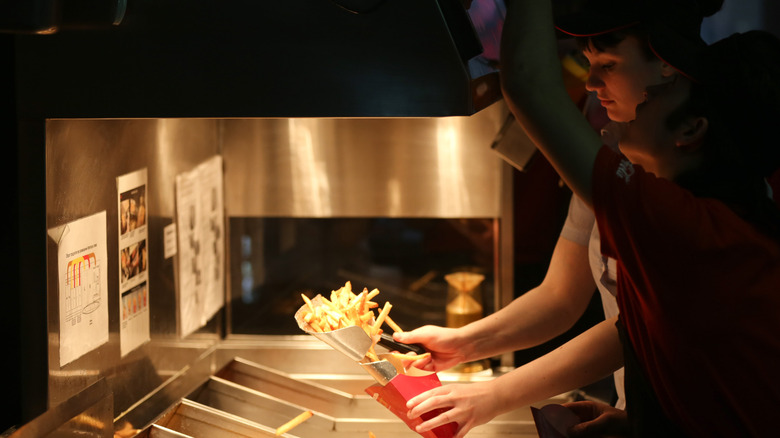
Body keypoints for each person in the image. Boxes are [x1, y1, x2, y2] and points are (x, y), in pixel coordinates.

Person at [405, 1, 780, 436]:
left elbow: (530, 85)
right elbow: (644, 332)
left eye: (659, 96)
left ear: (692, 130)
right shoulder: (704, 217)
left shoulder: (683, 223)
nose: (592, 82)